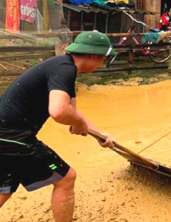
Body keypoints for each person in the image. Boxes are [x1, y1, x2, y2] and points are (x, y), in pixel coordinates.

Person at [0, 31, 115, 222]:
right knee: (66, 179)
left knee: (5, 189)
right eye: (102, 59)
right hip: (15, 138)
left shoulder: (62, 67)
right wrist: (76, 122)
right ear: (93, 56)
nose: (101, 63)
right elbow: (59, 111)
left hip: (6, 136)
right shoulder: (64, 70)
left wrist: (100, 135)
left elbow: (72, 113)